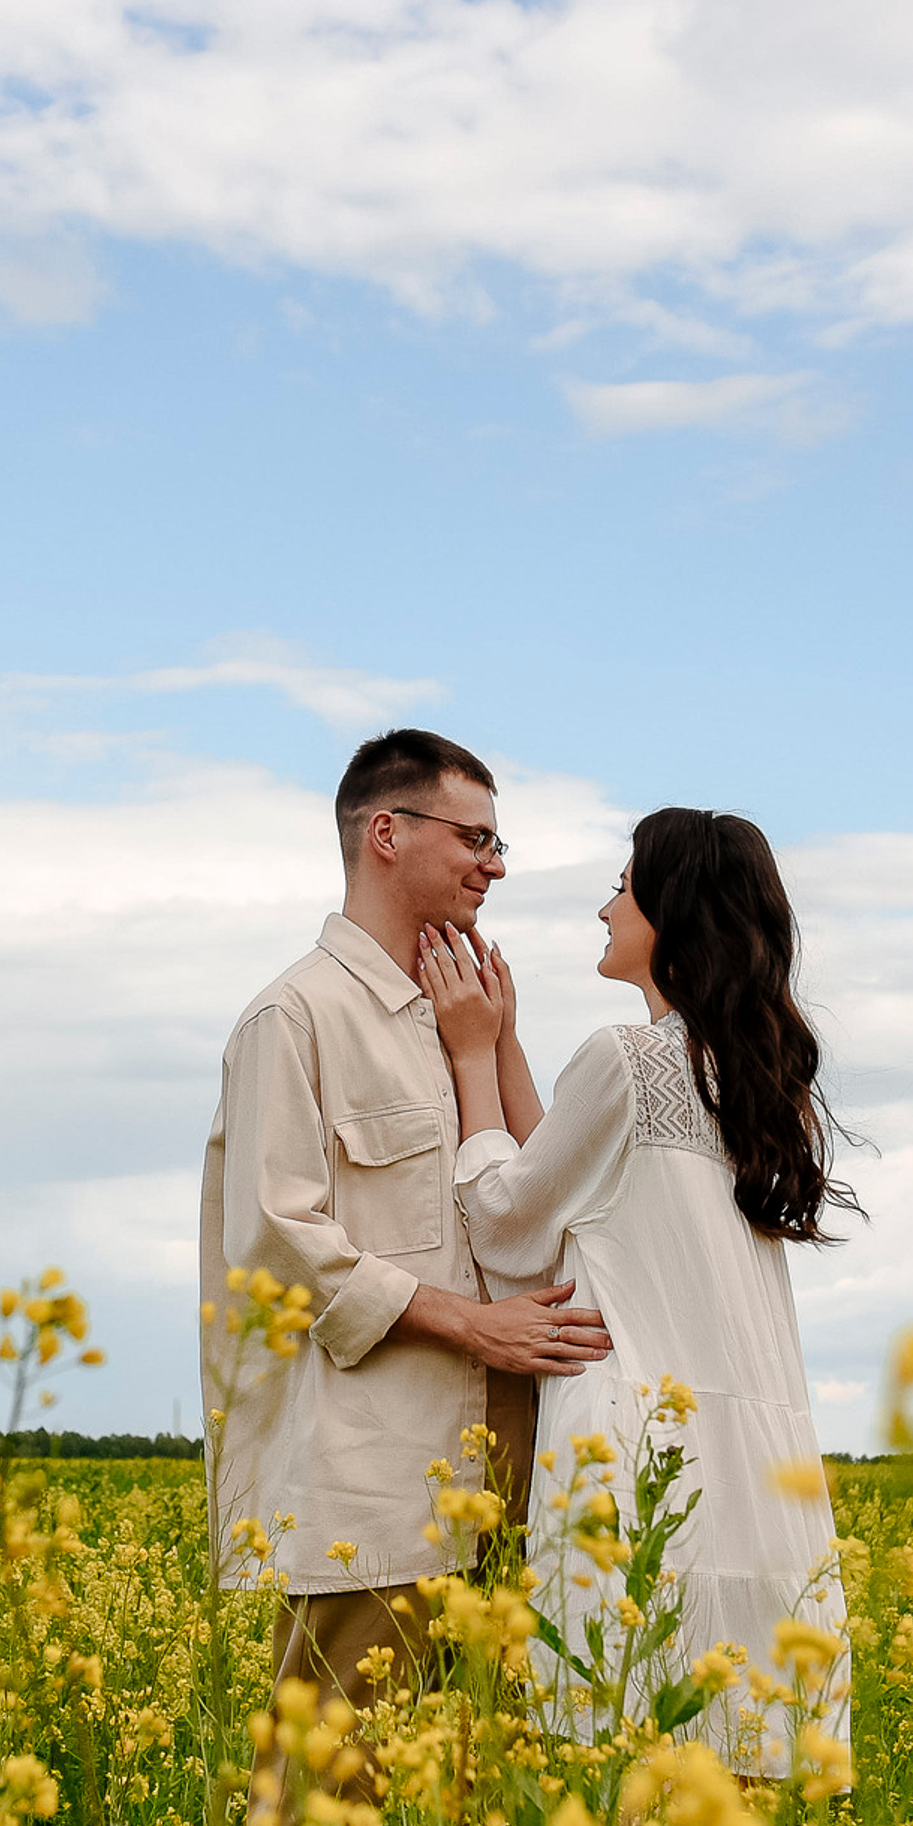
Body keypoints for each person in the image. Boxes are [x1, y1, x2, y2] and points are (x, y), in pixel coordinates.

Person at [199, 729, 613, 1751]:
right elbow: (274, 1241)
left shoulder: (461, 1013)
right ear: (386, 833)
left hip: (512, 1483)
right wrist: (474, 1327)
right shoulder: (292, 1016)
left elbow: (534, 1203)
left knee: (478, 1816)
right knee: (322, 1810)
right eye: (475, 836)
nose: (497, 863)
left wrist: (500, 1040)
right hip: (371, 1492)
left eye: (498, 840)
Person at [417, 805, 855, 1769]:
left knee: (619, 1777)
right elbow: (577, 1175)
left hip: (637, 1467)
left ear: (672, 909)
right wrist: (508, 1043)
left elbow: (510, 1220)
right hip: (754, 1483)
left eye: (623, 884)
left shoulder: (630, 1058)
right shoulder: (744, 1077)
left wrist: (465, 1054)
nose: (607, 904)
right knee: (725, 1798)